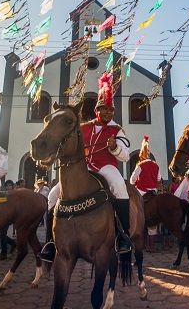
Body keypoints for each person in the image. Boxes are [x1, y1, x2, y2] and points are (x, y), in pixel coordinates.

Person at [41, 72, 131, 261]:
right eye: (104, 109)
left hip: (106, 167)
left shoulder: (117, 129)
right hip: (84, 168)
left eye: (111, 110)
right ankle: (50, 242)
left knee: (119, 186)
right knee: (52, 195)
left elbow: (125, 156)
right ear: (97, 109)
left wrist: (114, 148)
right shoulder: (83, 127)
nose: (108, 112)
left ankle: (124, 236)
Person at [0, 180, 16, 261]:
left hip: (10, 216)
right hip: (3, 215)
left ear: (12, 186)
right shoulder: (4, 193)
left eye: (10, 185)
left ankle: (4, 253)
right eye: (7, 186)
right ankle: (13, 243)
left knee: (2, 232)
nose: (8, 187)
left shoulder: (14, 194)